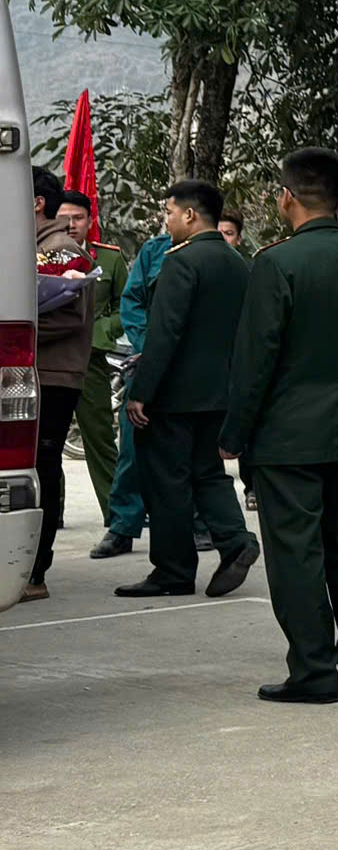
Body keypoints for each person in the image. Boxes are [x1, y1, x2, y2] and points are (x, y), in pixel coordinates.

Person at [222, 147, 338, 702]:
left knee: (296, 553)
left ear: (287, 197)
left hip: (289, 435)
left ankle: (314, 671)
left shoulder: (277, 263)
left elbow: (255, 359)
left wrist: (234, 434)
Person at [116, 180, 260, 599]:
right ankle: (236, 541)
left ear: (190, 214)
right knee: (208, 472)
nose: (167, 220)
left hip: (174, 394)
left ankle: (173, 570)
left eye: (170, 212)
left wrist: (142, 390)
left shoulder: (181, 260)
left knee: (166, 481)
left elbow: (165, 332)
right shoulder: (236, 262)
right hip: (219, 391)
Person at [27, 166, 97, 601]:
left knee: (44, 465)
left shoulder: (60, 251)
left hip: (55, 375)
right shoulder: (32, 246)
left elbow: (70, 318)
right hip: (35, 372)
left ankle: (36, 570)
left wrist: (17, 327)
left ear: (37, 203)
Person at [93, 214, 169, 560]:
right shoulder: (154, 251)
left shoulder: (215, 255)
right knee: (132, 448)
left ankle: (199, 524)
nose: (168, 218)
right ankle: (123, 526)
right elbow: (132, 301)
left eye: (172, 210)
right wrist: (148, 345)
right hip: (147, 361)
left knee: (195, 453)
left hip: (194, 367)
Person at [60, 190, 133, 549]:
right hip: (51, 360)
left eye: (77, 218)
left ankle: (116, 516)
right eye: (64, 218)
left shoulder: (109, 258)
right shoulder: (39, 254)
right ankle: (50, 512)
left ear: (90, 221)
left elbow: (127, 307)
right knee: (45, 442)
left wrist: (98, 332)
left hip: (91, 361)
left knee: (101, 438)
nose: (71, 225)